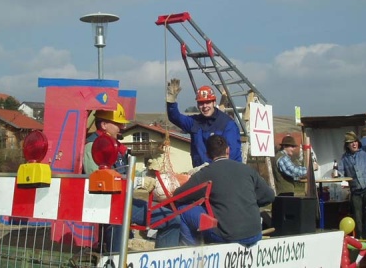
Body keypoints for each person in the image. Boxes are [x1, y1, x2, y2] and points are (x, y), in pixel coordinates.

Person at [83, 104, 181, 252]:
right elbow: (98, 182)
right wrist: (138, 182)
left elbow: (125, 172)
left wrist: (147, 174)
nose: (121, 127)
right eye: (117, 123)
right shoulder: (92, 147)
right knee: (170, 220)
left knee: (171, 218)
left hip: (122, 201)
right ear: (104, 124)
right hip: (111, 205)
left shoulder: (114, 146)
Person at [173, 135, 275, 246]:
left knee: (183, 210)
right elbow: (269, 196)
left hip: (227, 236)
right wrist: (248, 202)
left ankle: (191, 255)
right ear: (228, 150)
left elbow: (179, 195)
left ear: (207, 154)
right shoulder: (247, 169)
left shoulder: (205, 173)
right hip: (255, 234)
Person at [166, 78, 242, 168]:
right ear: (197, 105)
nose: (205, 106)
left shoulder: (227, 124)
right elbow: (175, 117)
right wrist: (171, 102)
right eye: (201, 103)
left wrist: (216, 171)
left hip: (223, 173)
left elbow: (232, 153)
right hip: (201, 174)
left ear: (214, 102)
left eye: (208, 102)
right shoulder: (194, 122)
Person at [338, 112, 366, 239]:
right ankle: (361, 240)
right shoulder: (344, 158)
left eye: (355, 141)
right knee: (358, 218)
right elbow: (340, 172)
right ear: (347, 145)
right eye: (351, 142)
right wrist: (338, 176)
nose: (354, 144)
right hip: (356, 190)